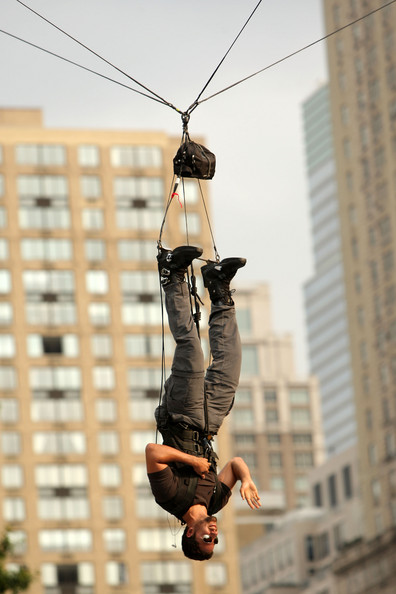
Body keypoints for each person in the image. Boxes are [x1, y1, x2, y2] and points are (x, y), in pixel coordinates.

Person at [145, 245, 261, 561]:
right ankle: (218, 287)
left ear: (190, 533)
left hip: (182, 413)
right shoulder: (215, 501)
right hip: (211, 421)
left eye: (207, 541)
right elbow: (235, 465)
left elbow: (153, 452)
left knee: (192, 353)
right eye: (215, 541)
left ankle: (172, 274)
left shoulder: (170, 497)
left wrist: (193, 462)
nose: (214, 536)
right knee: (232, 360)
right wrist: (246, 480)